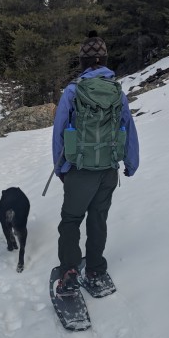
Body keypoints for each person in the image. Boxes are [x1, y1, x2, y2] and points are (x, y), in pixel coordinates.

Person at [52, 31, 139, 295]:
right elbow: (128, 126)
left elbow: (59, 131)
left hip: (80, 169)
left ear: (82, 62)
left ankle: (68, 273)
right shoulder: (117, 92)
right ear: (104, 60)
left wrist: (61, 168)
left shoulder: (72, 91)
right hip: (108, 169)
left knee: (71, 219)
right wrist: (131, 162)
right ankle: (95, 269)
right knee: (98, 218)